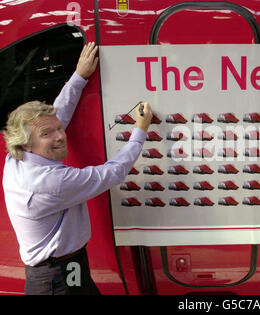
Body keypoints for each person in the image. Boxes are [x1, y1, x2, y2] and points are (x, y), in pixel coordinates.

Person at [2, 42, 153, 295]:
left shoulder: (17, 158)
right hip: (57, 281)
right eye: (47, 134)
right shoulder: (52, 182)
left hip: (63, 270)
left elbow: (57, 116)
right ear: (26, 143)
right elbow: (113, 172)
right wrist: (141, 130)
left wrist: (79, 76)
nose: (60, 136)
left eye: (58, 129)